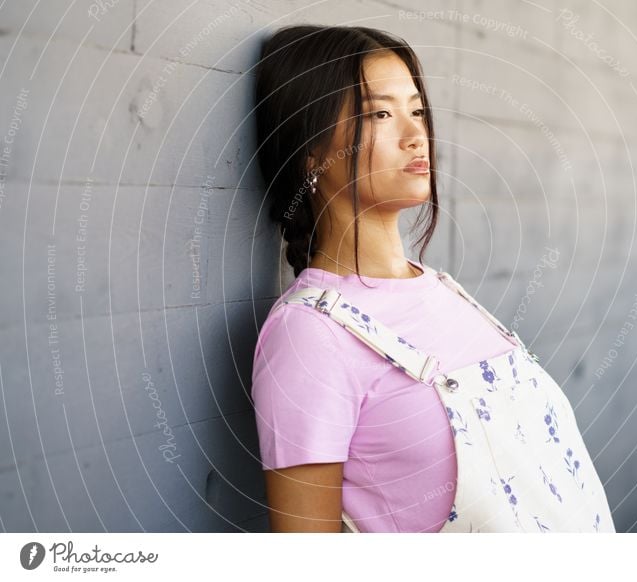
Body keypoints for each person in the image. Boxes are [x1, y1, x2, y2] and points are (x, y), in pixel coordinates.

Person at [251, 24, 615, 533]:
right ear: (311, 153)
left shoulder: (446, 292)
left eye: (416, 110)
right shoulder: (308, 335)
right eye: (379, 113)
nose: (415, 134)